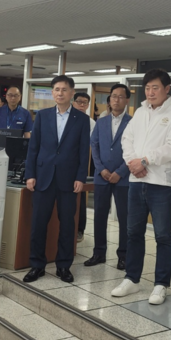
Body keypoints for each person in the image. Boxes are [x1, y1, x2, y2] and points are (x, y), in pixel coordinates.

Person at [111, 69, 171, 305]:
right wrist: (133, 164)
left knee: (163, 236)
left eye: (155, 88)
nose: (151, 92)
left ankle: (161, 284)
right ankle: (131, 278)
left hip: (160, 184)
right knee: (133, 232)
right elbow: (127, 140)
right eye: (147, 88)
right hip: (136, 181)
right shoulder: (140, 112)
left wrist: (144, 161)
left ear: (167, 89)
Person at [22, 75, 90, 284]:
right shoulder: (42, 116)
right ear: (52, 93)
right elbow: (33, 148)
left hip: (68, 179)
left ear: (71, 93)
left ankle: (63, 266)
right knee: (38, 224)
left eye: (64, 89)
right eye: (56, 89)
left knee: (67, 225)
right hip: (43, 177)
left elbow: (83, 151)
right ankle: (37, 265)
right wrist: (30, 174)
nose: (60, 93)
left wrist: (80, 177)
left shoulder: (82, 119)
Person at [85, 84, 132, 270]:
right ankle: (99, 253)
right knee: (100, 215)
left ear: (127, 100)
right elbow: (94, 146)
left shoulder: (133, 123)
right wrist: (100, 169)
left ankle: (124, 256)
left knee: (124, 217)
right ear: (109, 99)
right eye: (113, 96)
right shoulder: (101, 122)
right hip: (102, 176)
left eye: (120, 97)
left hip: (123, 178)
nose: (116, 100)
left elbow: (135, 151)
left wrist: (120, 172)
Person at [72, 91, 94, 242]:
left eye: (84, 103)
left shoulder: (90, 122)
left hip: (82, 164)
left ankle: (80, 229)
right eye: (78, 101)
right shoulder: (67, 118)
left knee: (80, 199)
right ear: (73, 102)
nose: (81, 105)